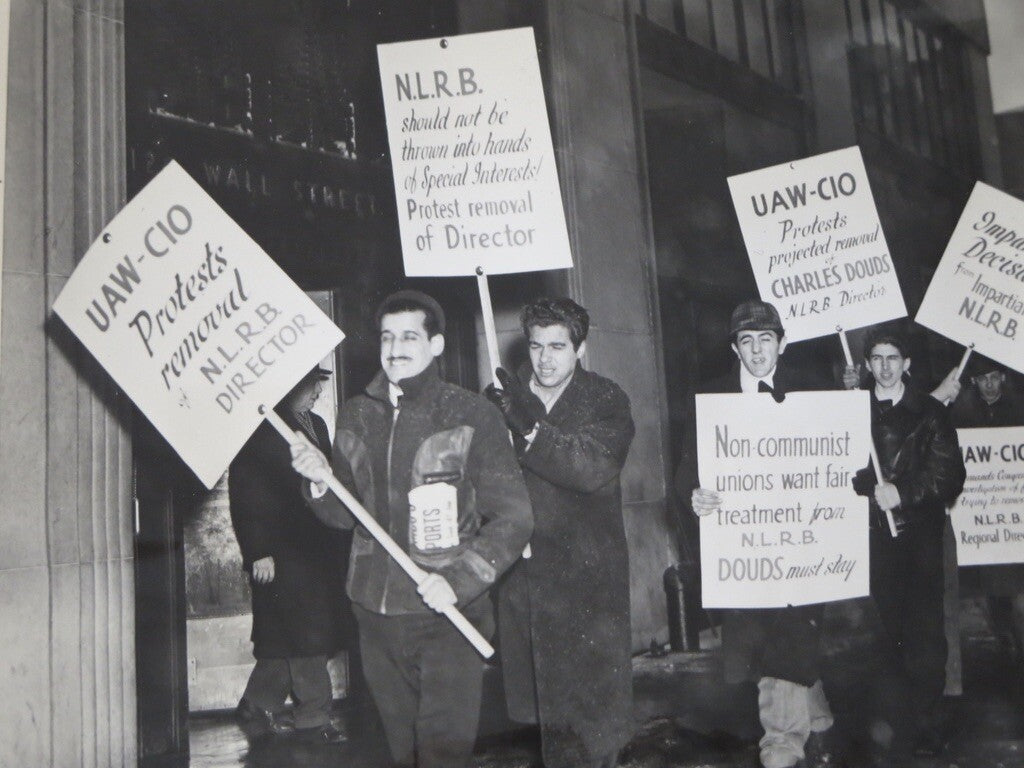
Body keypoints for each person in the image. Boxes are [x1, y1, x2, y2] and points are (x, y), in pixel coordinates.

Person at [289, 289, 533, 768]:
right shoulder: (356, 414)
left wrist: (458, 581)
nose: (395, 348)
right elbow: (343, 516)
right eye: (387, 337)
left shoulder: (472, 414)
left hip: (447, 614)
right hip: (374, 613)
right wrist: (318, 482)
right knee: (399, 754)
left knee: (442, 753)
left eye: (408, 337)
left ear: (436, 344)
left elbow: (515, 517)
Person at [684, 300, 839, 768]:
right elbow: (687, 470)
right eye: (746, 341)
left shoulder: (813, 392)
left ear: (782, 344)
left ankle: (781, 744)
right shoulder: (710, 399)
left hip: (800, 541)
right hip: (744, 544)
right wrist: (694, 496)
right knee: (762, 641)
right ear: (735, 348)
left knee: (789, 634)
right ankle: (818, 717)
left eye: (765, 340)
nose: (756, 351)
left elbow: (839, 457)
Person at [485, 297, 636, 768]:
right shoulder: (502, 396)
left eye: (558, 347)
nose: (545, 359)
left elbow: (590, 467)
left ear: (580, 348)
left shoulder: (606, 399)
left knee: (593, 717)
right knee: (542, 715)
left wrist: (529, 430)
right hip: (526, 577)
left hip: (585, 576)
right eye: (536, 346)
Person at [851, 324, 966, 760]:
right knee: (886, 634)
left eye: (893, 358)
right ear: (867, 364)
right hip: (873, 540)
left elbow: (949, 475)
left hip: (919, 540)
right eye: (877, 359)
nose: (885, 367)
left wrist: (902, 492)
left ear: (907, 364)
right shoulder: (853, 411)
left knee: (924, 635)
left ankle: (928, 724)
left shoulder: (930, 413)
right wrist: (865, 486)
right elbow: (839, 467)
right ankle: (892, 725)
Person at [228, 365, 350, 744]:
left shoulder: (317, 425)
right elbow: (245, 493)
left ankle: (256, 702)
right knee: (306, 634)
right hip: (281, 553)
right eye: (311, 384)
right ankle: (314, 717)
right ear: (289, 384)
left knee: (287, 635)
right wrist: (259, 551)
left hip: (316, 550)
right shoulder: (261, 429)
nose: (317, 391)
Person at [943, 356, 1024, 665]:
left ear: (1003, 378)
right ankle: (1006, 639)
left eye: (994, 377)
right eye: (982, 379)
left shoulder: (1019, 409)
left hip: (1015, 514)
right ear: (973, 382)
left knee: (1017, 588)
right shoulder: (960, 415)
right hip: (984, 520)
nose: (989, 384)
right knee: (995, 586)